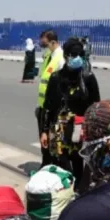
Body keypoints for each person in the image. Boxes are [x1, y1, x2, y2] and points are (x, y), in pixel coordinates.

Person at [40, 37, 100, 187]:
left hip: (80, 131)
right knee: (62, 167)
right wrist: (44, 131)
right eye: (73, 55)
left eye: (79, 55)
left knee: (79, 165)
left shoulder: (88, 78)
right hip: (59, 131)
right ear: (66, 56)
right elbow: (48, 107)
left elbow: (96, 106)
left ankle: (78, 193)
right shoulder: (56, 78)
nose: (77, 59)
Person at [36, 29, 64, 167]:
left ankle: (52, 165)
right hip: (43, 106)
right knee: (43, 138)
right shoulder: (49, 56)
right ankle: (45, 163)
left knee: (53, 140)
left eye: (46, 44)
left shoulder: (61, 58)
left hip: (54, 108)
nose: (44, 47)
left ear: (53, 42)